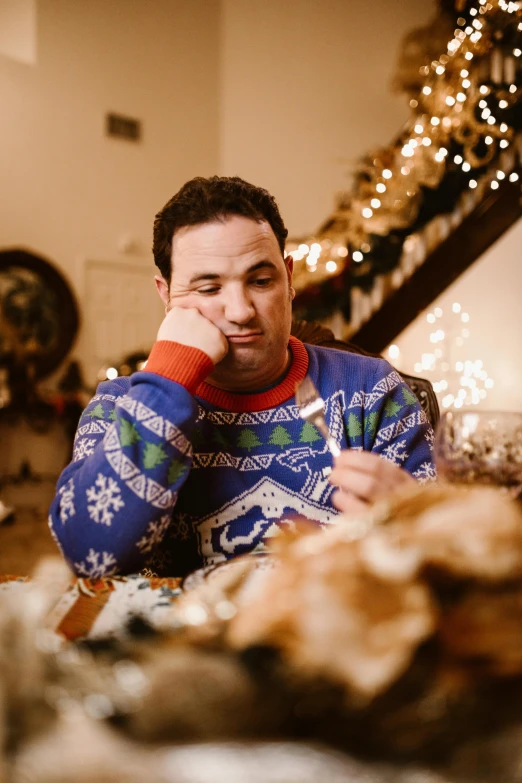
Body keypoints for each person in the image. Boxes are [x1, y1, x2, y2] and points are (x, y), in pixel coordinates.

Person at [49, 176, 435, 579]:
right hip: (178, 637)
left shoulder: (371, 390)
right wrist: (165, 381)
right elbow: (91, 557)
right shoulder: (119, 405)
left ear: (289, 280)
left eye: (261, 281)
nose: (240, 311)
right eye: (209, 287)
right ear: (166, 295)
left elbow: (449, 557)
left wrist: (414, 522)